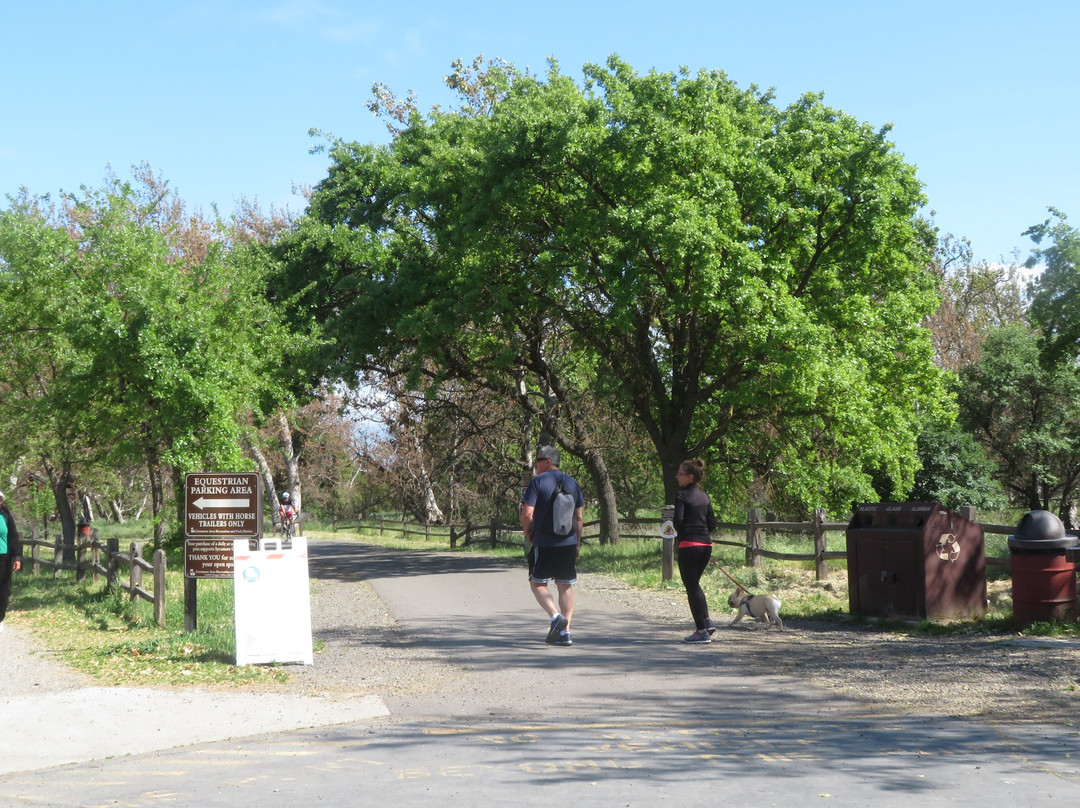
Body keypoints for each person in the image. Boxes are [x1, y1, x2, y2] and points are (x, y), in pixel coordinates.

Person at [519, 446, 584, 646]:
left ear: (548, 461)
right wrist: (577, 543)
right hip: (568, 542)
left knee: (537, 583)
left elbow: (527, 514)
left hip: (544, 541)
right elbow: (579, 517)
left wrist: (529, 534)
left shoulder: (537, 482)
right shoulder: (572, 483)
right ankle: (566, 633)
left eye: (538, 460)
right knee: (565, 585)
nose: (536, 465)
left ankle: (556, 617)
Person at [673, 459, 717, 644]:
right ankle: (706, 620)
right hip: (706, 546)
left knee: (691, 587)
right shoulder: (705, 497)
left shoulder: (682, 495)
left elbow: (678, 521)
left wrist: (684, 535)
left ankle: (701, 631)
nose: (677, 476)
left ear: (690, 476)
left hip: (689, 545)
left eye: (680, 473)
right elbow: (712, 525)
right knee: (695, 584)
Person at [0, 490, 23, 633]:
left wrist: (17, 557)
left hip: (4, 558)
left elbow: (13, 537)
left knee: (3, 590)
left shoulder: (6, 516)